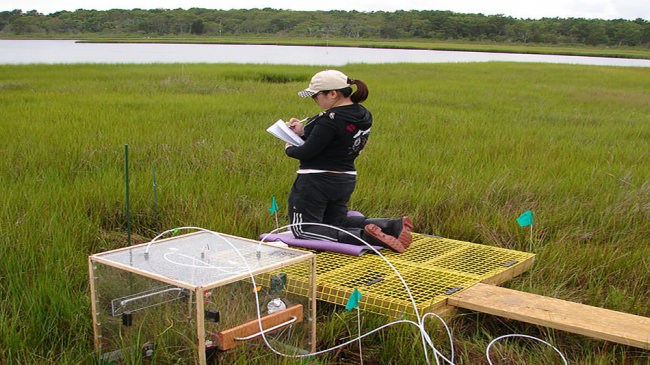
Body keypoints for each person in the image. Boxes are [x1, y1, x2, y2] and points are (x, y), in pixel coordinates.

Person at [283, 69, 413, 253]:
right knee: (336, 222)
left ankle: (364, 236)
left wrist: (289, 146)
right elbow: (333, 141)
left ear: (333, 93)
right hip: (345, 178)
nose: (314, 100)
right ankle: (392, 226)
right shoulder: (362, 114)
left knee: (303, 229)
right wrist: (303, 133)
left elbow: (306, 152)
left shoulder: (329, 119)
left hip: (315, 180)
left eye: (316, 95)